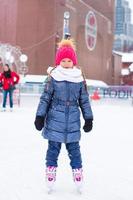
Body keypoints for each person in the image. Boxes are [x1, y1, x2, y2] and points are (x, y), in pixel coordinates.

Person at [34, 39, 93, 192]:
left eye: (69, 60)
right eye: (63, 60)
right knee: (53, 149)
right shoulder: (54, 76)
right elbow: (45, 97)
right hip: (54, 120)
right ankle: (50, 172)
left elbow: (84, 100)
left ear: (73, 61)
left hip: (73, 121)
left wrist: (88, 118)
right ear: (59, 61)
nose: (66, 63)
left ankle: (77, 172)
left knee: (74, 150)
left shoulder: (79, 78)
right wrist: (40, 116)